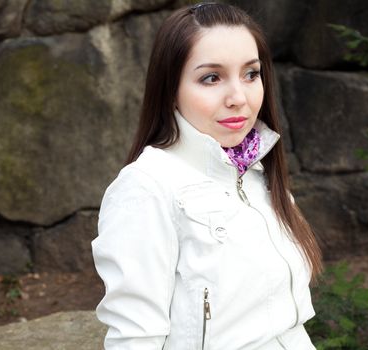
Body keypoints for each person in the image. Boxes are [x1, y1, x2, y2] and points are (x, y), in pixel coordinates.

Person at [91, 2, 323, 349]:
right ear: (171, 89)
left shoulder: (258, 173)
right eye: (211, 78)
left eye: (251, 74)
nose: (238, 98)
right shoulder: (147, 187)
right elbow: (135, 338)